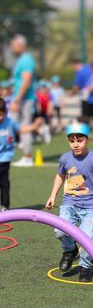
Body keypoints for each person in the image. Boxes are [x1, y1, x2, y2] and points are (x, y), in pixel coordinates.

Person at [45, 120, 93, 282]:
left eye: (80, 140)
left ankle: (85, 267)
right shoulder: (65, 158)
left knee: (87, 238)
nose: (76, 144)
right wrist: (52, 195)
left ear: (87, 140)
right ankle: (69, 250)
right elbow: (60, 175)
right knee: (59, 231)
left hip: (91, 206)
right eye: (72, 140)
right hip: (70, 203)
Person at [0, 97, 42, 211]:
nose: (0, 117)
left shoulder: (10, 122)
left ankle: (5, 206)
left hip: (4, 159)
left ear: (5, 112)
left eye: (1, 114)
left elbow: (21, 130)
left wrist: (33, 126)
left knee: (4, 183)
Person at [9, 34, 37, 166]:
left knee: (24, 126)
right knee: (15, 126)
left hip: (25, 100)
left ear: (21, 45)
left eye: (14, 44)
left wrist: (17, 100)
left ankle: (27, 157)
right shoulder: (22, 60)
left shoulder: (26, 60)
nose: (12, 46)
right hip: (21, 99)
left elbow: (26, 81)